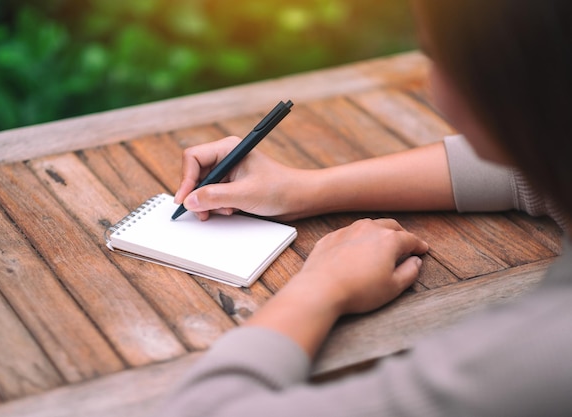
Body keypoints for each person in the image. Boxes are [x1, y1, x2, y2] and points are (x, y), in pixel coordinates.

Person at [158, 1, 572, 415]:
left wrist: (322, 287)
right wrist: (303, 190)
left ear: (513, 83)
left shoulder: (541, 355)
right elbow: (524, 167)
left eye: (434, 56)